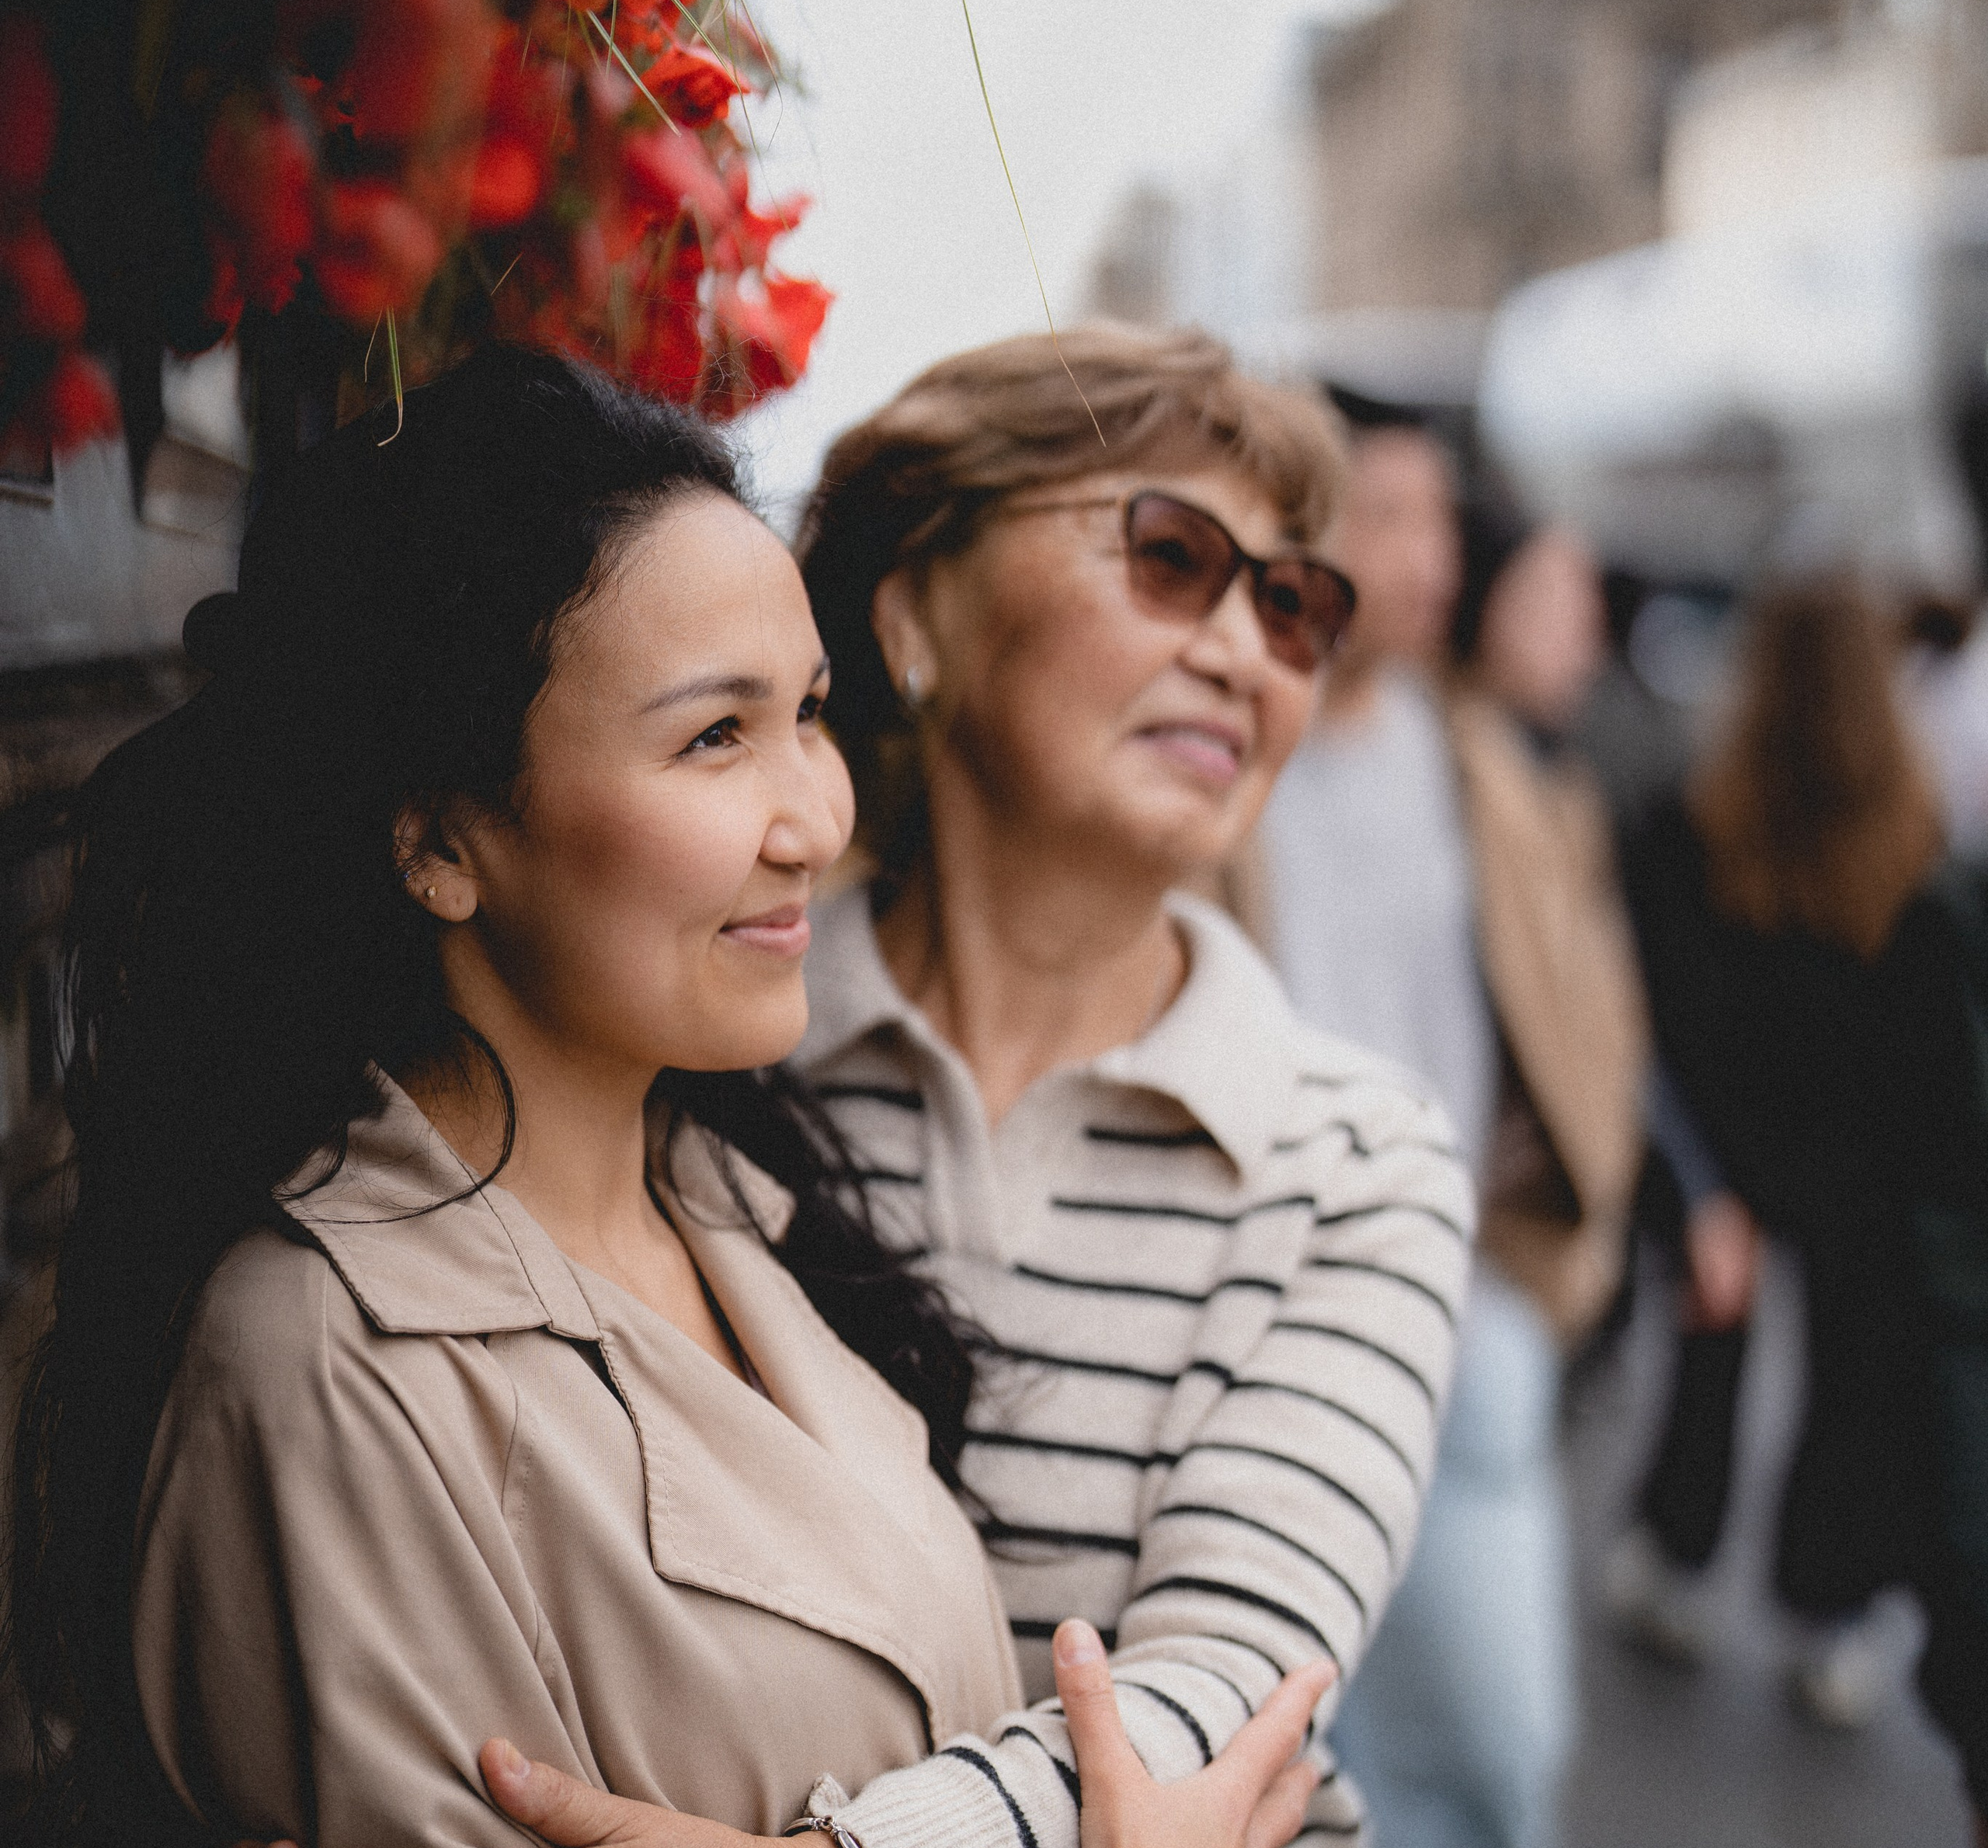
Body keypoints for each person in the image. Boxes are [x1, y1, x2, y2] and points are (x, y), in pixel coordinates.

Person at [8, 345, 1329, 1848]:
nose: (813, 818)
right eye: (714, 735)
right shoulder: (320, 1362)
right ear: (443, 839)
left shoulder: (721, 1195)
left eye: (810, 713)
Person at [481, 324, 1475, 1848]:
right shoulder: (701, 1065)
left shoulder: (1355, 1159)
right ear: (913, 616)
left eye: (1292, 602)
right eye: (1167, 555)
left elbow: (1223, 1695)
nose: (1239, 648)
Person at [1253, 412, 1646, 1848]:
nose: (1422, 556)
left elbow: (1588, 995)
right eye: (1382, 514)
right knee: (1298, 1750)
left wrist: (1573, 1174)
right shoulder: (1231, 752)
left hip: (1468, 1301)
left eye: (1437, 521)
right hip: (1270, 1320)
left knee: (1501, 1752)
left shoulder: (1479, 758)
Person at [1605, 575, 1957, 1732]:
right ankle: (1829, 1606)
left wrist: (1707, 1189)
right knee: (1857, 1380)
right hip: (1863, 1165)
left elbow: (1660, 1015)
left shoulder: (1690, 820)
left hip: (1735, 1153)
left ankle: (1677, 1550)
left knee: (1713, 1353)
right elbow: (1922, 1043)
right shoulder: (1915, 840)